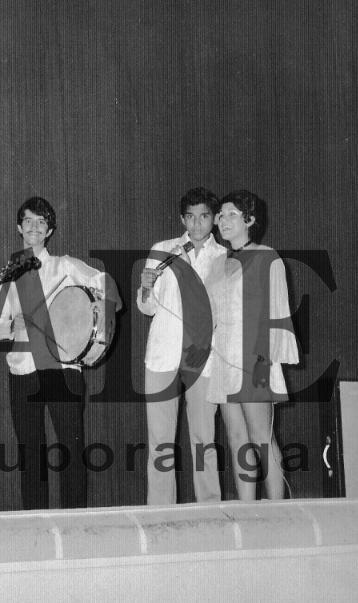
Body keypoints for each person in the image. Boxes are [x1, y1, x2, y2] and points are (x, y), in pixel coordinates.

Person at [0, 197, 121, 510]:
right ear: (18, 227)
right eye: (29, 221)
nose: (35, 228)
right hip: (23, 370)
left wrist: (100, 315)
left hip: (63, 368)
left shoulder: (64, 265)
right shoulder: (8, 274)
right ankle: (36, 524)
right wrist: (13, 323)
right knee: (31, 452)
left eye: (41, 222)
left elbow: (108, 285)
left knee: (70, 449)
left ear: (49, 229)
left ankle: (74, 523)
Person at [137, 187, 226, 505]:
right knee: (160, 440)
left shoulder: (224, 258)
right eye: (190, 217)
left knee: (204, 439)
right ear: (182, 219)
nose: (197, 224)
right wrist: (145, 289)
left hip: (203, 358)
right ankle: (160, 511)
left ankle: (210, 506)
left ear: (214, 219)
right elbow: (147, 308)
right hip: (162, 357)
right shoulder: (163, 249)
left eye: (204, 217)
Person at [208, 190, 298, 500]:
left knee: (261, 436)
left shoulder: (266, 256)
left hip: (254, 358)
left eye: (233, 214)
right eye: (221, 215)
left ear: (250, 220)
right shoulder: (217, 264)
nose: (224, 220)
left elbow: (276, 312)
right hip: (223, 358)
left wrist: (263, 360)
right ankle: (247, 512)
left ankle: (276, 512)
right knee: (236, 436)